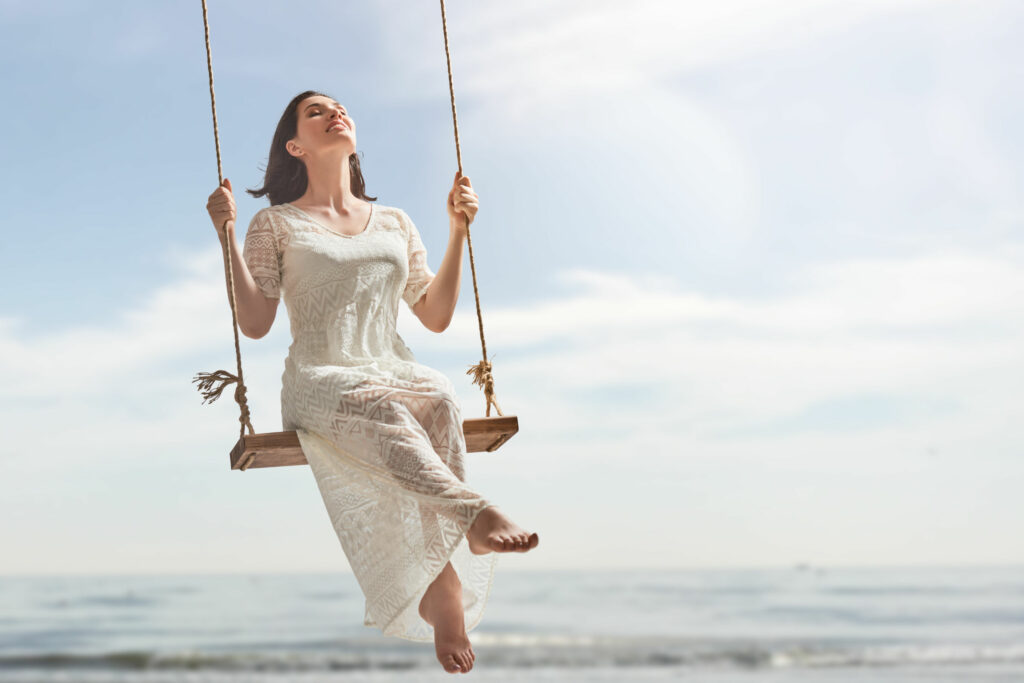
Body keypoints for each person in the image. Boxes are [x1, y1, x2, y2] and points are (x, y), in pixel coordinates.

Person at [205, 90, 539, 674]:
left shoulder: (393, 222)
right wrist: (226, 234)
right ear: (295, 146)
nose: (335, 113)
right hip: (320, 378)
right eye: (316, 112)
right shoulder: (275, 224)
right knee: (383, 405)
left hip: (391, 367)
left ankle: (441, 588)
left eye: (339, 108)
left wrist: (459, 228)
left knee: (436, 394)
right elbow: (256, 324)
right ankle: (475, 516)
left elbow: (433, 314)